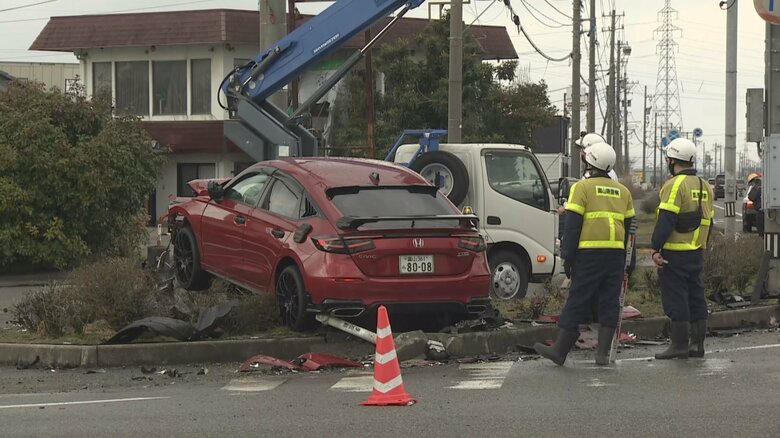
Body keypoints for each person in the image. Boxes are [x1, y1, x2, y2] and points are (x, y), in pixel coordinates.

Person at [535, 142, 635, 366]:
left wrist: (567, 257)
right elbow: (629, 229)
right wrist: (629, 260)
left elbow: (572, 226)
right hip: (616, 255)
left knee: (577, 301)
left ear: (589, 163)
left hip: (589, 254)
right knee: (610, 302)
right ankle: (602, 355)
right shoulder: (624, 192)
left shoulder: (581, 188)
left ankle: (560, 351)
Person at [650, 138, 714, 360]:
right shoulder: (704, 185)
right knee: (696, 296)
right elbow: (709, 221)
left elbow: (666, 219)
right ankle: (697, 346)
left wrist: (655, 247)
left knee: (676, 298)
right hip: (696, 250)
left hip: (675, 252)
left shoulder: (674, 185)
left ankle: (679, 345)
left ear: (672, 160)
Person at [747, 172, 763, 237]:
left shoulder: (757, 186)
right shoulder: (763, 184)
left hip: (761, 211)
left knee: (761, 231)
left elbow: (751, 196)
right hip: (767, 210)